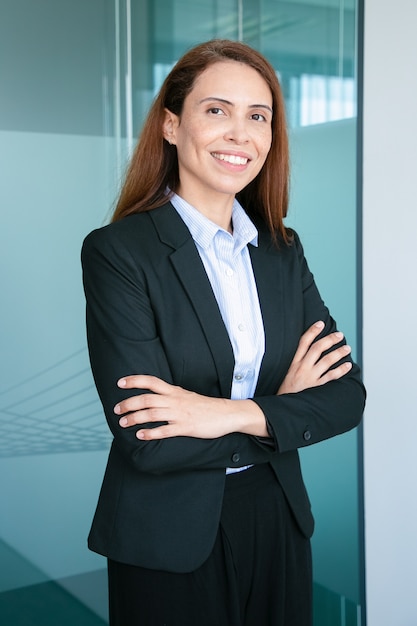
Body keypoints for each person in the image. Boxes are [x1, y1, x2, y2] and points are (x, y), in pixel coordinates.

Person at [81, 39, 365, 626]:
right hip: (167, 531)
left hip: (277, 516)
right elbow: (149, 439)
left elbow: (346, 397)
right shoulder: (119, 253)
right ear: (170, 124)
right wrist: (280, 412)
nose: (241, 134)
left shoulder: (282, 252)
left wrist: (224, 413)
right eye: (217, 110)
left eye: (257, 117)